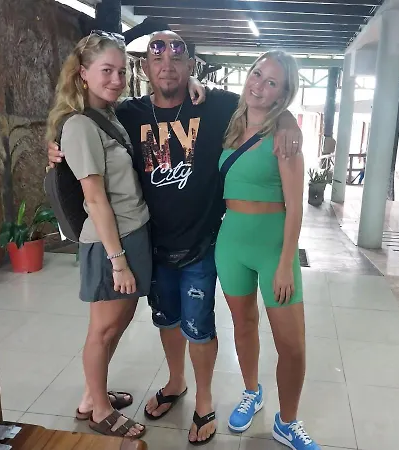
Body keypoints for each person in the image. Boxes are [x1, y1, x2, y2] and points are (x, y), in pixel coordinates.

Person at [48, 30, 302, 445]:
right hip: (151, 245)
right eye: (157, 59)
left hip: (202, 244)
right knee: (166, 321)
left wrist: (289, 119)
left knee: (199, 327)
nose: (167, 67)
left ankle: (204, 401)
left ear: (191, 67)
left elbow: (261, 104)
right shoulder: (126, 113)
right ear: (146, 69)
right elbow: (82, 129)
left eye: (177, 60)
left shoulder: (216, 105)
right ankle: (174, 382)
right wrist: (56, 147)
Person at [45, 31, 151, 438]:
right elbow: (94, 199)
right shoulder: (80, 125)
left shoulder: (108, 114)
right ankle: (100, 411)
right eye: (106, 70)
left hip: (131, 231)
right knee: (102, 329)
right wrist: (118, 261)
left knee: (118, 322)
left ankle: (93, 395)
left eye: (121, 71)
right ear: (83, 74)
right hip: (112, 242)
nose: (116, 79)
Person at [216, 51, 320, 450]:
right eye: (257, 73)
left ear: (283, 94)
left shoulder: (284, 136)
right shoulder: (229, 122)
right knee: (243, 325)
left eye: (271, 82)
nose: (258, 85)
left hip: (274, 248)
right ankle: (251, 391)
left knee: (291, 345)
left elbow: (295, 207)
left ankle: (287, 421)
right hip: (231, 244)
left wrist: (285, 263)